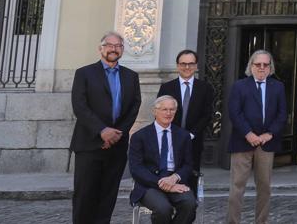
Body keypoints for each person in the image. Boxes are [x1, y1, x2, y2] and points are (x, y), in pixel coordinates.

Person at [70, 31, 140, 224]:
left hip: (116, 146)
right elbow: (80, 106)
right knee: (85, 195)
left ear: (122, 50)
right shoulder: (84, 73)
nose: (113, 49)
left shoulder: (131, 76)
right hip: (89, 144)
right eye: (109, 45)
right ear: (100, 48)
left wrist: (117, 134)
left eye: (118, 46)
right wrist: (102, 131)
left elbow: (135, 106)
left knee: (107, 196)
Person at [226, 49, 287, 224]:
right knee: (237, 187)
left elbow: (282, 114)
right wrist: (249, 134)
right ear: (251, 66)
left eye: (265, 65)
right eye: (257, 64)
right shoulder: (240, 86)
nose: (261, 68)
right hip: (242, 142)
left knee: (265, 188)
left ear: (270, 67)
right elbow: (234, 113)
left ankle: (261, 221)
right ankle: (232, 222)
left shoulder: (278, 87)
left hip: (267, 144)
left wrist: (269, 134)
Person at [127, 95, 197, 224]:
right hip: (149, 184)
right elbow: (136, 168)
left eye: (172, 109)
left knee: (190, 204)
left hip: (174, 180)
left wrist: (174, 178)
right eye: (164, 109)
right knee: (163, 209)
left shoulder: (183, 135)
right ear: (155, 111)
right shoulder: (139, 136)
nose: (168, 113)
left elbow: (188, 165)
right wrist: (163, 184)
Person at [156, 49, 215, 192]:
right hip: (169, 141)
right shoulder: (167, 87)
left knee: (190, 181)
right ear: (177, 65)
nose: (187, 67)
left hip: (193, 142)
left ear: (196, 66)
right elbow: (159, 112)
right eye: (183, 64)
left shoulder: (206, 88)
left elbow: (207, 114)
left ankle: (189, 212)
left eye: (191, 64)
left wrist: (191, 135)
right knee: (168, 178)